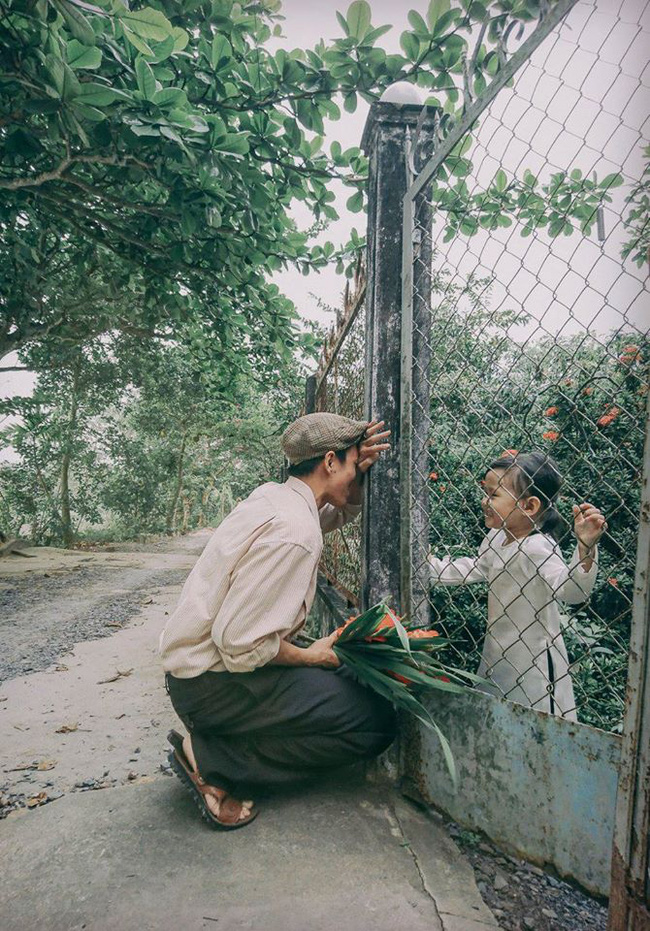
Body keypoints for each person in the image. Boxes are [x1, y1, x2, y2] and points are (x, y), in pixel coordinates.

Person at [160, 412, 395, 829]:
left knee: (345, 690)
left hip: (196, 679)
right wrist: (312, 657)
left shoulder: (275, 498)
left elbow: (335, 513)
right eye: (352, 464)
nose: (357, 473)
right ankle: (215, 761)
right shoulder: (294, 531)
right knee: (374, 725)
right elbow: (241, 645)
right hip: (215, 686)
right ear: (329, 461)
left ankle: (222, 743)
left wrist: (355, 474)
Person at [428, 450, 607, 720]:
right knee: (494, 716)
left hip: (535, 664)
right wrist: (427, 568)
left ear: (529, 506)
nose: (484, 501)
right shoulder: (496, 537)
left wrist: (585, 547)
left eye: (493, 495)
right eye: (486, 492)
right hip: (497, 653)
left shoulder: (538, 547)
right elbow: (475, 567)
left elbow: (572, 592)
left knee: (537, 726)